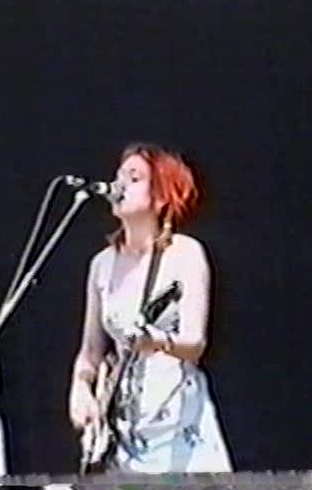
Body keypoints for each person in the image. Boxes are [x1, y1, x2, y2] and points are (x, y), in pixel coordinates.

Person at [68, 142, 233, 473]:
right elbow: (91, 351)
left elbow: (195, 343)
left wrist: (156, 342)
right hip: (125, 426)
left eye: (135, 178)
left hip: (177, 419)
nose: (120, 185)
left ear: (160, 197)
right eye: (119, 176)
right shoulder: (101, 265)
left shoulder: (184, 254)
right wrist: (80, 388)